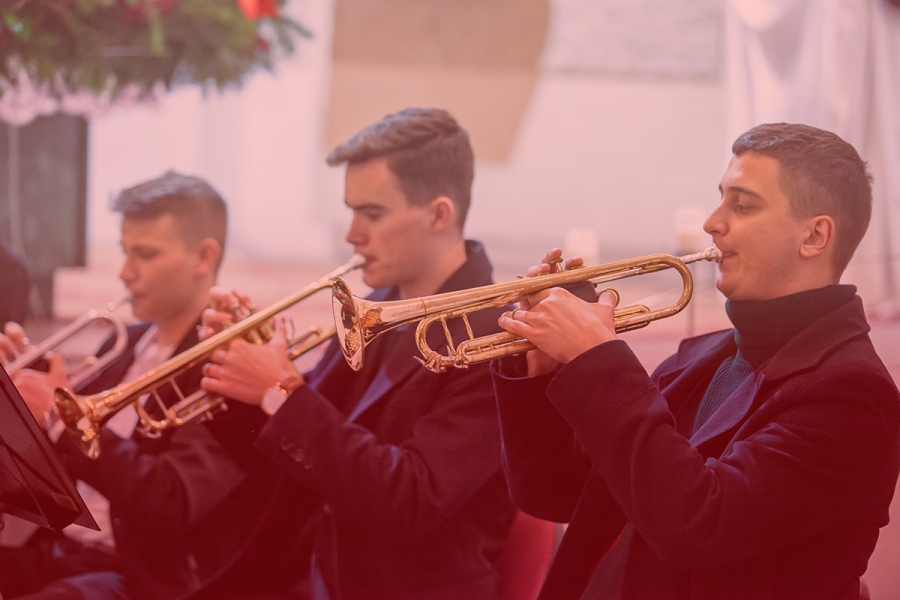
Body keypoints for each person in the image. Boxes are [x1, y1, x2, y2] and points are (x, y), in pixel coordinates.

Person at [491, 123, 900, 599]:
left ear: (814, 236)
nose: (712, 221)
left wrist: (598, 361)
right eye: (721, 198)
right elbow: (556, 492)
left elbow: (698, 526)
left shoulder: (852, 397)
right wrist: (545, 366)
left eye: (742, 205)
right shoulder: (703, 357)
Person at [199, 107, 516, 600]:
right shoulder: (376, 309)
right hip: (322, 577)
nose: (351, 234)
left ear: (439, 214)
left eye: (372, 214)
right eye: (351, 211)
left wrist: (282, 388)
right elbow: (299, 461)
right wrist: (235, 372)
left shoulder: (495, 335)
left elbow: (409, 500)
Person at [0, 172, 304, 600]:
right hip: (57, 546)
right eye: (125, 252)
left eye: (144, 254)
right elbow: (64, 469)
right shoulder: (122, 341)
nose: (124, 273)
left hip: (138, 575)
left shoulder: (229, 369)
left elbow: (172, 501)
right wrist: (21, 404)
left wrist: (55, 416)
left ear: (203, 257)